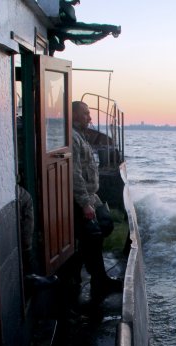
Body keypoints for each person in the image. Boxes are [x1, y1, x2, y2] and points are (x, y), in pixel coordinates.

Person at [68, 100, 122, 306]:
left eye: (89, 114)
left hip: (92, 195)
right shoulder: (72, 138)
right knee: (93, 233)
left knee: (106, 224)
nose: (90, 118)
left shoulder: (81, 136)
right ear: (73, 115)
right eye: (85, 114)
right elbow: (74, 174)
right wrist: (84, 204)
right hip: (83, 197)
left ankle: (92, 270)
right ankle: (98, 279)